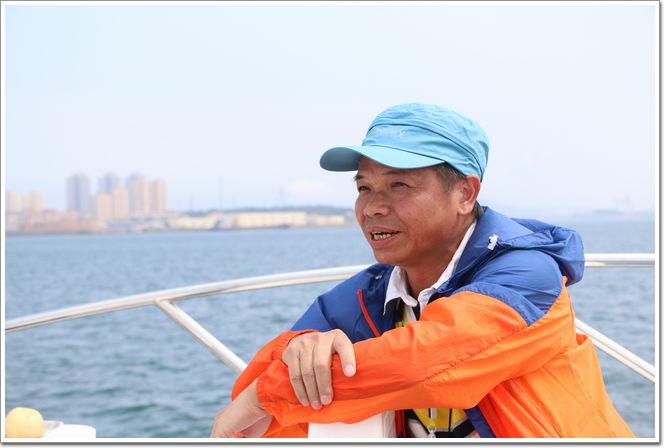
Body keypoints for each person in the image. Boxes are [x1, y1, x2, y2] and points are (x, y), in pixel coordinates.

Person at [210, 103, 634, 438]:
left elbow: (428, 362)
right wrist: (302, 349)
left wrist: (269, 393)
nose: (372, 207)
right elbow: (252, 389)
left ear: (465, 193)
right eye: (364, 187)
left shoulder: (528, 274)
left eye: (399, 185)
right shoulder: (368, 296)